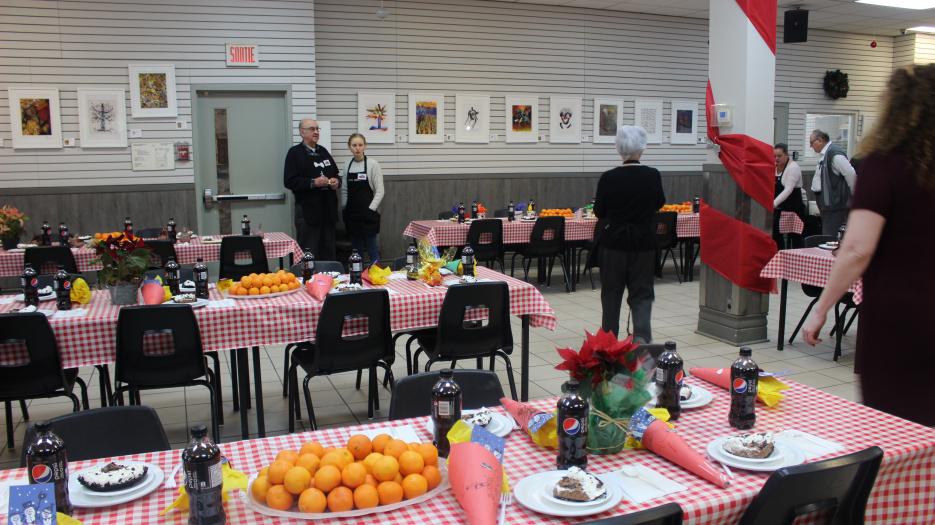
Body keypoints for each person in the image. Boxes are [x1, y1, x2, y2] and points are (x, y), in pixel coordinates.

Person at [803, 64, 935, 427]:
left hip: (901, 316)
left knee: (897, 424)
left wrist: (821, 307)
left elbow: (858, 249)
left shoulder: (885, 165)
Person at [592, 125, 665, 342]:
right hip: (643, 244)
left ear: (619, 149)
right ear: (641, 149)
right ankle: (642, 346)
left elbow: (599, 211)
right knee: (642, 296)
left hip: (613, 245)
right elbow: (658, 203)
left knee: (611, 296)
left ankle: (609, 348)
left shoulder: (608, 178)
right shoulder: (652, 176)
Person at [283, 118, 340, 259]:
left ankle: (328, 280)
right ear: (302, 132)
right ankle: (309, 281)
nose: (316, 132)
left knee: (328, 253)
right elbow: (289, 181)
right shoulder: (294, 153)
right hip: (308, 214)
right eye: (311, 129)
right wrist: (313, 183)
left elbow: (336, 174)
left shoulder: (324, 151)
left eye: (317, 129)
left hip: (328, 213)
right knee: (310, 255)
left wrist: (336, 182)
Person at [341, 133, 385, 264]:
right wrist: (344, 208)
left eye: (360, 145)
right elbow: (344, 189)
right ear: (350, 147)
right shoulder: (347, 164)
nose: (357, 148)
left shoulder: (373, 164)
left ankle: (376, 279)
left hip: (369, 215)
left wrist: (371, 209)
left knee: (372, 248)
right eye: (354, 145)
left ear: (365, 146)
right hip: (352, 215)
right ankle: (357, 278)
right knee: (356, 250)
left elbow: (380, 190)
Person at [808, 129, 856, 236]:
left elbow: (850, 174)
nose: (811, 146)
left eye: (812, 142)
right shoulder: (826, 154)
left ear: (820, 140)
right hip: (827, 204)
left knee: (830, 238)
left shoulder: (834, 154)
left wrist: (854, 196)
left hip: (835, 205)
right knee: (827, 235)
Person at [773, 143, 806, 248]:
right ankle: (780, 256)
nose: (776, 159)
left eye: (779, 156)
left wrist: (774, 203)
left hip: (793, 208)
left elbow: (788, 190)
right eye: (774, 156)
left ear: (787, 155)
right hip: (780, 208)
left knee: (795, 237)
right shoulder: (775, 167)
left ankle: (798, 259)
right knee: (776, 234)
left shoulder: (793, 168)